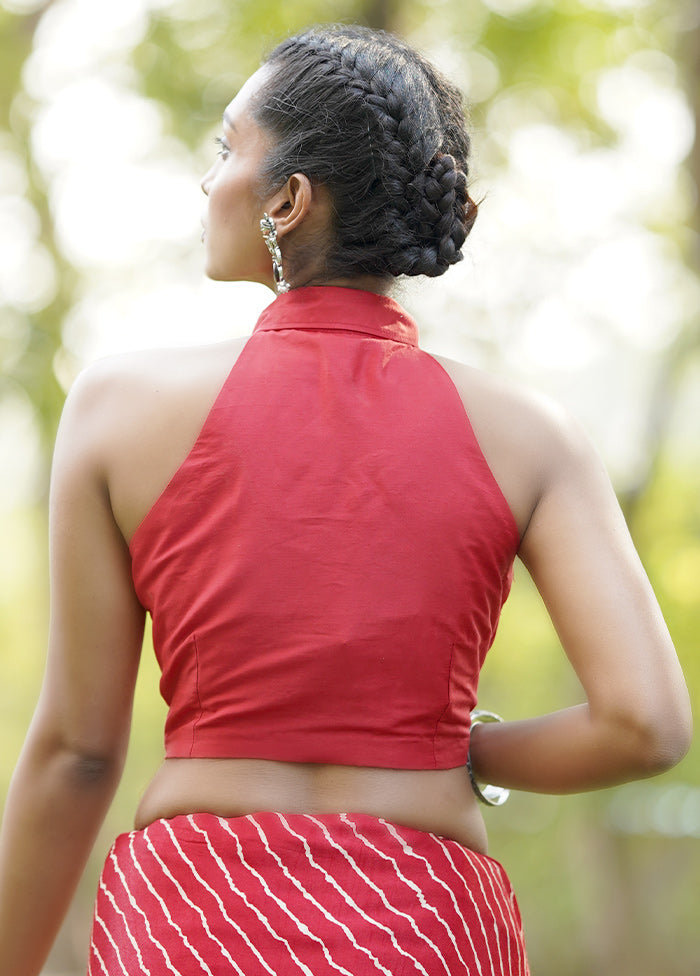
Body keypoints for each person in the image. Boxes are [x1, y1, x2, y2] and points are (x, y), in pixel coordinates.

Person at [0, 24, 692, 976]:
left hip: (195, 920)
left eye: (227, 150)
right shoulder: (533, 437)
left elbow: (77, 755)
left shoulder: (117, 410)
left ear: (288, 200)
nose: (208, 182)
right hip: (423, 922)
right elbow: (645, 726)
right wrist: (465, 751)